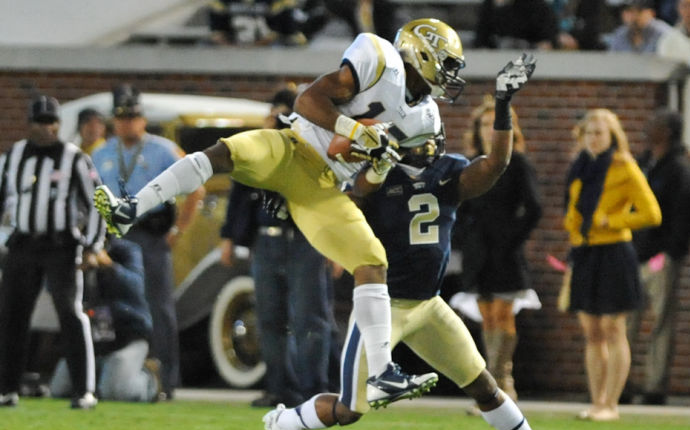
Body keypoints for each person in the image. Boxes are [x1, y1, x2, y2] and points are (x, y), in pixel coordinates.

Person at [94, 18, 467, 408]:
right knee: (225, 152)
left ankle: (381, 374)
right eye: (446, 62)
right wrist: (355, 131)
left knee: (372, 262)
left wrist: (380, 163)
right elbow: (308, 101)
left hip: (324, 189)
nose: (450, 74)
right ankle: (130, 207)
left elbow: (362, 188)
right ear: (421, 53)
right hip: (293, 149)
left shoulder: (425, 119)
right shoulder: (378, 61)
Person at [262, 54, 587, 430]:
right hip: (383, 307)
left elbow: (496, 164)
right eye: (427, 134)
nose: (436, 141)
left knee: (482, 382)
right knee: (350, 408)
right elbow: (340, 202)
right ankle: (284, 421)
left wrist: (504, 104)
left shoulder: (449, 172)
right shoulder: (377, 173)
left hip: (429, 304)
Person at [220, 87, 334, 407]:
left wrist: (334, 244)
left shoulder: (312, 149)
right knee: (269, 317)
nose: (272, 120)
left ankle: (313, 389)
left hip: (305, 239)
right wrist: (230, 236)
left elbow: (329, 198)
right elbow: (240, 192)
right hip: (267, 239)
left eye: (278, 114)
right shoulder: (257, 149)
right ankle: (278, 388)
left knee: (308, 319)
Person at [91, 84, 205, 399]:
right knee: (114, 306)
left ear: (143, 119)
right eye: (123, 118)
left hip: (151, 234)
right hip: (115, 237)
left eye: (134, 117)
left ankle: (166, 379)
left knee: (159, 306)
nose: (129, 123)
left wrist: (178, 230)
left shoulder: (162, 150)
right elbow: (93, 197)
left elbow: (196, 189)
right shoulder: (101, 153)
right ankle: (115, 374)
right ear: (115, 121)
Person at [0, 95, 104, 409]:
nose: (47, 128)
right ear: (29, 124)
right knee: (11, 315)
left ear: (59, 124)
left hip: (61, 245)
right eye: (41, 122)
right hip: (24, 243)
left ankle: (83, 390)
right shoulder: (14, 155)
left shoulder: (73, 157)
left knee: (70, 314)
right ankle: (7, 388)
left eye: (52, 122)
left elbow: (98, 201)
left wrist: (92, 245)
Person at [563, 108, 661, 421]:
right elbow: (574, 209)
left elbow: (651, 213)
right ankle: (596, 401)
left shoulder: (625, 166)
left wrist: (613, 220)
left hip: (615, 251)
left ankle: (611, 404)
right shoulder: (579, 167)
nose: (594, 138)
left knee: (613, 327)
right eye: (589, 133)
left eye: (600, 133)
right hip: (585, 251)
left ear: (612, 136)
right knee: (591, 330)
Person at [457, 97, 543, 402]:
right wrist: (464, 237)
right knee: (486, 317)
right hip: (478, 252)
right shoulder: (470, 164)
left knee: (503, 315)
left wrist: (511, 239)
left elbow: (534, 208)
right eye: (483, 124)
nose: (488, 130)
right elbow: (461, 206)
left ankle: (497, 385)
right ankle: (496, 385)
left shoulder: (517, 163)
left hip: (505, 252)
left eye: (495, 125)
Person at [626, 109, 690, 405]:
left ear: (668, 131)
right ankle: (621, 384)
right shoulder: (643, 163)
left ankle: (654, 386)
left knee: (661, 323)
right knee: (625, 323)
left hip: (659, 258)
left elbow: (687, 216)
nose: (647, 126)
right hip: (634, 254)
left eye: (655, 123)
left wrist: (670, 252)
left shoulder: (679, 169)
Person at [49, 237, 162, 403]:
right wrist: (70, 271)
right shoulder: (71, 250)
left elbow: (136, 286)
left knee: (115, 392)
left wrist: (109, 265)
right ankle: (102, 375)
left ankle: (149, 380)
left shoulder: (126, 250)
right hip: (91, 339)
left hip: (127, 335)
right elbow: (50, 286)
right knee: (60, 389)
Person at [474, 0, 559, 50]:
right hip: (495, 62)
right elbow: (481, 40)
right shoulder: (489, 7)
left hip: (533, 63)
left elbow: (548, 41)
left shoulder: (537, 7)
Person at [607, 0, 673, 53]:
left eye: (639, 11)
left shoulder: (664, 34)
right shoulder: (620, 35)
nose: (634, 16)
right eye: (628, 11)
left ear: (651, 13)